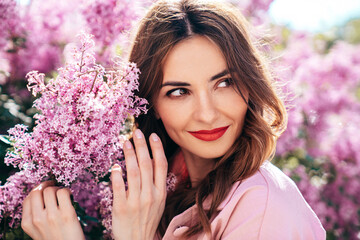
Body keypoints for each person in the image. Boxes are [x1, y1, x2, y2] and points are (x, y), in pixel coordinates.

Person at [21, 0, 326, 239]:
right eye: (179, 91)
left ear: (249, 84)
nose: (207, 113)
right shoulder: (148, 194)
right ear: (149, 103)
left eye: (224, 83)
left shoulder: (262, 208)